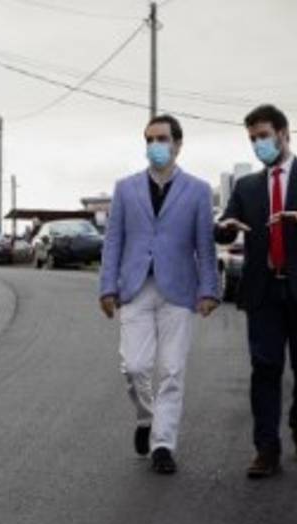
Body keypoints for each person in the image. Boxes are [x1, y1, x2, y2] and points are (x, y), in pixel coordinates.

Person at [215, 104, 297, 479]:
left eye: (264, 136)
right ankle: (266, 449)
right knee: (265, 367)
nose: (259, 144)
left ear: (284, 134)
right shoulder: (247, 187)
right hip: (264, 290)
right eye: (253, 139)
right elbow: (224, 226)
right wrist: (225, 227)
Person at [99, 114, 220, 475]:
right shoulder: (126, 188)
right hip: (135, 288)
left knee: (171, 370)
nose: (155, 146)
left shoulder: (198, 190)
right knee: (134, 366)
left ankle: (163, 444)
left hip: (178, 291)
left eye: (162, 139)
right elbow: (113, 241)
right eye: (149, 139)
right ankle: (146, 416)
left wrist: (209, 289)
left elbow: (205, 245)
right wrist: (107, 287)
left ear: (177, 144)